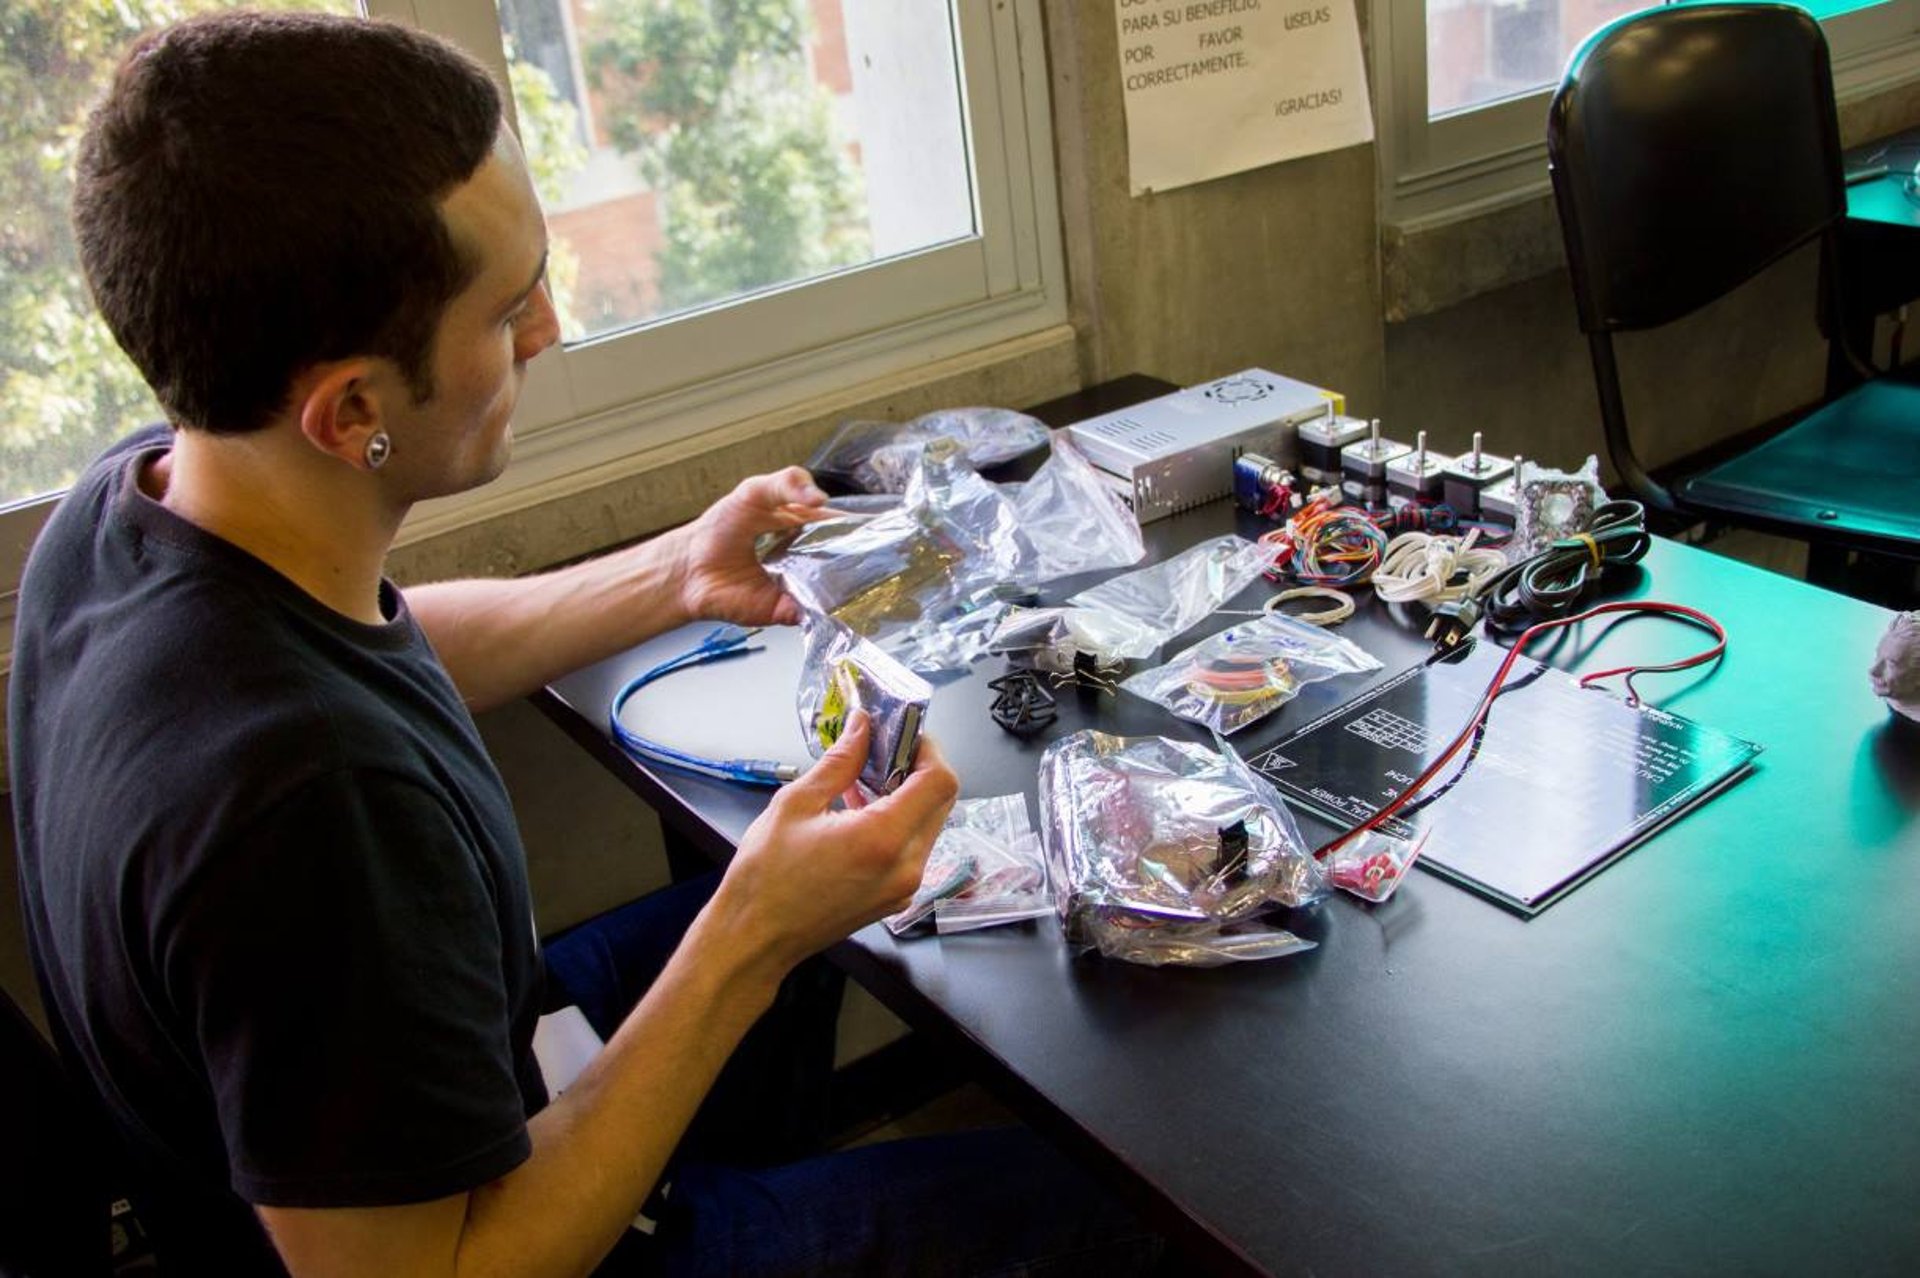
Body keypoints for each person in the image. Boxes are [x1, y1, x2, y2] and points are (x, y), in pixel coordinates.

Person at [10, 11, 1162, 1276]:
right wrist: (748, 938)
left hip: (482, 1078)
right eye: (508, 310)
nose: (550, 327)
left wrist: (675, 572)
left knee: (812, 934)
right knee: (1125, 1208)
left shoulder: (134, 508)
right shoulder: (306, 810)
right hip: (477, 1243)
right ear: (353, 412)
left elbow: (381, 646)